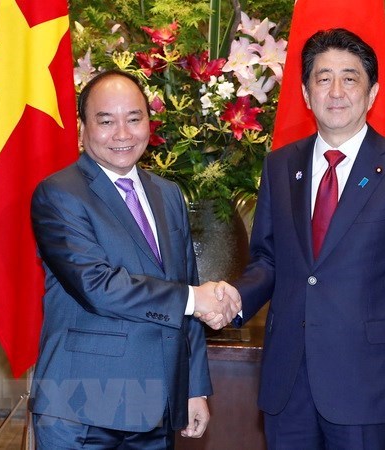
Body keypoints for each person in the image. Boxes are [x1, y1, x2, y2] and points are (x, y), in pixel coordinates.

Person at [212, 28, 385, 449]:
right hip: (289, 384)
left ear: (372, 92)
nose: (336, 91)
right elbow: (268, 260)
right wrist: (232, 298)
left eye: (350, 77)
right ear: (306, 93)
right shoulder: (280, 166)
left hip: (370, 386)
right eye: (323, 78)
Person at [29, 69, 240, 449]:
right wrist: (195, 299)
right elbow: (98, 286)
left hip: (156, 409)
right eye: (106, 121)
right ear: (82, 128)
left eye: (134, 118)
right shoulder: (59, 194)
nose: (123, 134)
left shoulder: (169, 194)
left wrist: (193, 389)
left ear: (149, 122)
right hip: (81, 410)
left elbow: (184, 283)